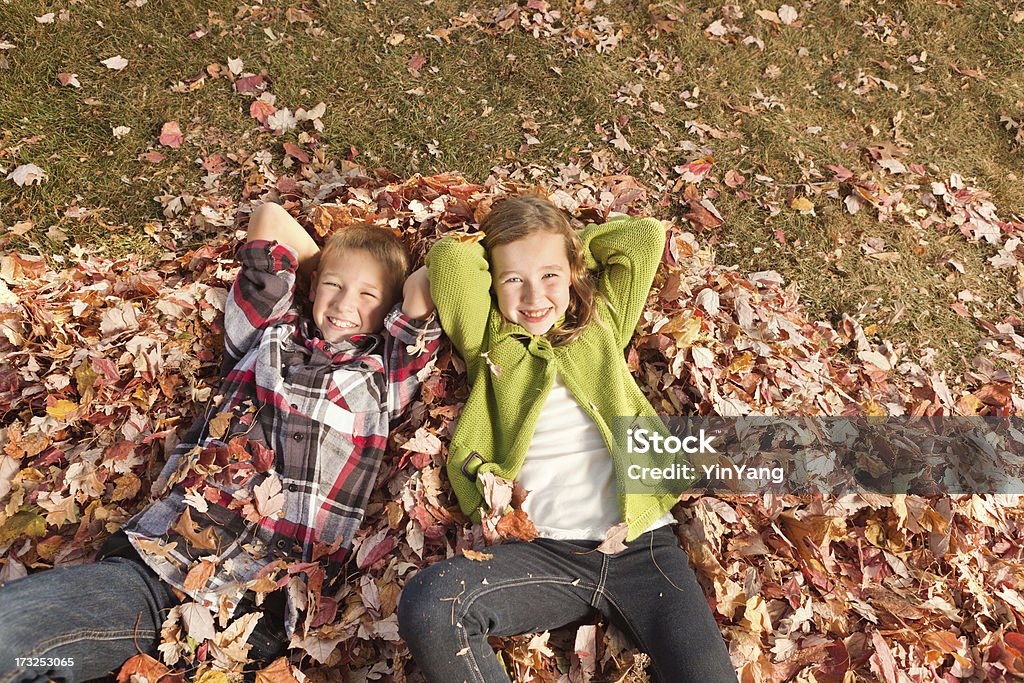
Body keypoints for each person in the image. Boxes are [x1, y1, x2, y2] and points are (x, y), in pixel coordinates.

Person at [0, 202, 442, 683]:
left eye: (367, 294)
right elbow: (269, 218)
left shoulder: (387, 375)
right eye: (333, 286)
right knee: (15, 640)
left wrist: (360, 279)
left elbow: (429, 280)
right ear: (311, 286)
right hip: (164, 559)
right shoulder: (267, 333)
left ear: (390, 310)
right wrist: (330, 265)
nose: (342, 304)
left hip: (259, 606)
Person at [397, 195, 736, 682]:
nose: (535, 298)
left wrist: (569, 251)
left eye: (550, 276)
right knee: (432, 604)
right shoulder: (489, 339)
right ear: (493, 282)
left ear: (574, 271)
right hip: (545, 554)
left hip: (645, 549)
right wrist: (497, 252)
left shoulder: (600, 323)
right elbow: (450, 260)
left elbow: (642, 238)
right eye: (514, 279)